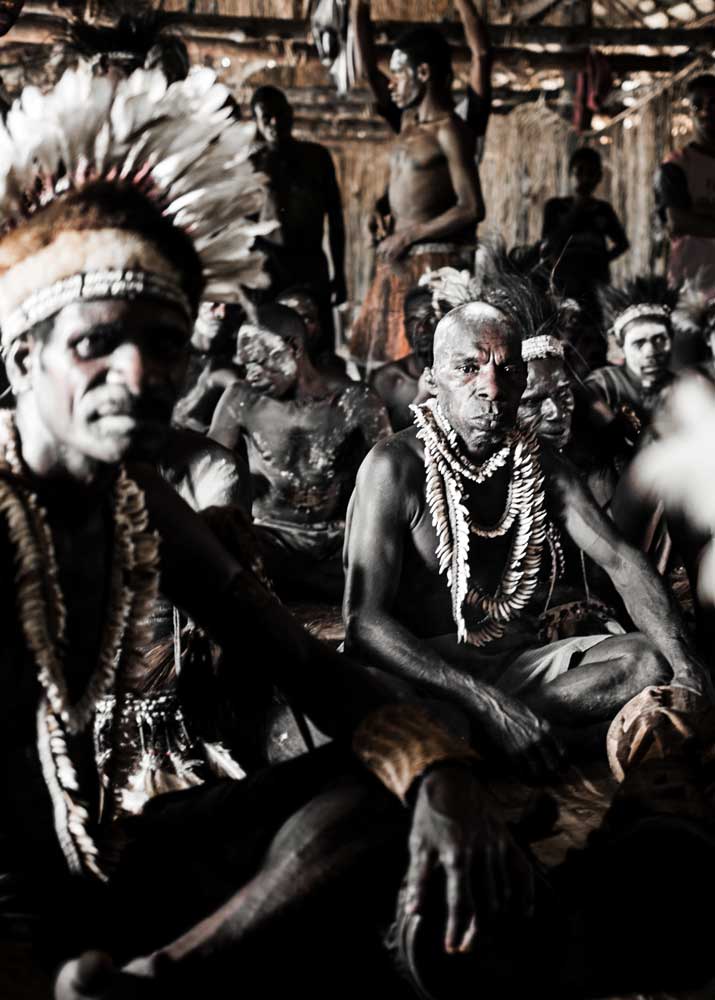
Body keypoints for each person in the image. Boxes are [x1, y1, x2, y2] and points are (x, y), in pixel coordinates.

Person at [0, 65, 511, 999]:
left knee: (410, 748)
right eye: (95, 343)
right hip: (13, 894)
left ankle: (158, 977)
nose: (139, 372)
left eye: (164, 344)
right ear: (23, 354)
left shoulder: (133, 499)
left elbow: (309, 668)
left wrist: (437, 771)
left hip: (112, 858)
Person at [343, 271, 710, 777]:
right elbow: (363, 623)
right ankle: (525, 740)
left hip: (519, 665)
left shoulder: (538, 462)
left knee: (651, 663)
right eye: (468, 369)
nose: (491, 389)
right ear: (433, 378)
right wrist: (488, 706)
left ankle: (515, 743)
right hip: (426, 675)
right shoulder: (394, 466)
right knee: (437, 723)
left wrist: (688, 666)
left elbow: (622, 561)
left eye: (507, 370)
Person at [208, 304, 390, 599]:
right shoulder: (241, 399)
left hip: (338, 545)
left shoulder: (356, 399)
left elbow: (390, 479)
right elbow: (208, 467)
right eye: (246, 365)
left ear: (292, 347)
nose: (251, 374)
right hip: (268, 541)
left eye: (260, 362)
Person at [348, 0, 483, 367]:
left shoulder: (450, 131)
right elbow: (368, 74)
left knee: (431, 361)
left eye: (399, 73)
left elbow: (472, 207)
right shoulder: (408, 125)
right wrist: (359, 10)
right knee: (391, 367)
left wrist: (408, 235)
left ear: (423, 72)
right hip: (397, 260)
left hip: (435, 263)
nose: (391, 83)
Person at [250, 85, 347, 356]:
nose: (274, 122)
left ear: (291, 114)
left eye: (280, 114)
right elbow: (242, 226)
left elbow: (335, 218)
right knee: (269, 343)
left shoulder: (316, 157)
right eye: (266, 117)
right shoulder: (252, 163)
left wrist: (340, 274)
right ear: (257, 122)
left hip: (310, 262)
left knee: (318, 345)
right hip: (269, 264)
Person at [541, 147, 629, 316]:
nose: (585, 178)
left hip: (595, 282)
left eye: (591, 173)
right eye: (580, 172)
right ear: (570, 173)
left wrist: (602, 260)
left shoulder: (603, 209)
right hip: (564, 281)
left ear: (599, 177)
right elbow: (549, 243)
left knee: (594, 326)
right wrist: (576, 209)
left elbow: (622, 243)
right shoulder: (555, 207)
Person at [656, 73, 715, 299]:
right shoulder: (677, 164)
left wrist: (699, 216)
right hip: (691, 286)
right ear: (690, 111)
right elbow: (677, 220)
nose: (706, 111)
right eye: (698, 104)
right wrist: (689, 219)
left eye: (713, 103)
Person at [368, 284, 442, 431]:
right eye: (413, 321)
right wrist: (422, 397)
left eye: (430, 319)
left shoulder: (462, 376)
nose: (421, 329)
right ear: (405, 327)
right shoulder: (387, 380)